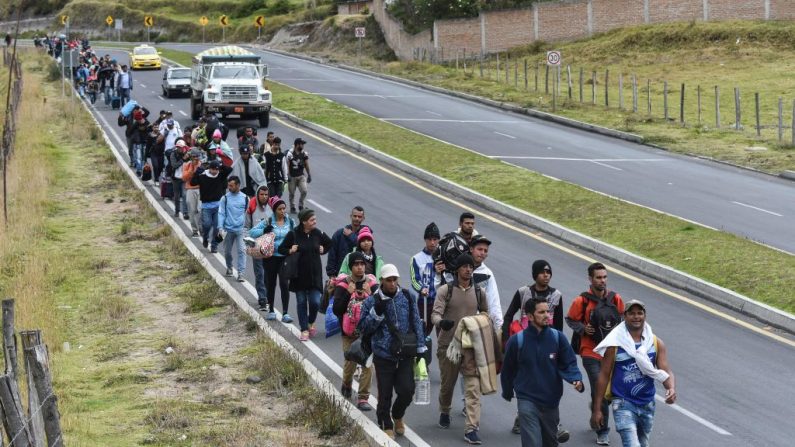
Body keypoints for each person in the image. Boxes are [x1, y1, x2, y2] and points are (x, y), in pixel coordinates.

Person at [591, 300, 676, 447]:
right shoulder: (614, 345)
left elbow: (665, 371)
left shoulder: (655, 343)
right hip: (623, 403)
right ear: (625, 316)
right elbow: (603, 376)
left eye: (639, 313)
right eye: (632, 313)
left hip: (647, 404)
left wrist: (671, 388)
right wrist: (597, 409)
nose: (636, 317)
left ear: (645, 316)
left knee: (643, 443)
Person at [501, 299, 585, 447]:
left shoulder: (558, 338)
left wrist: (576, 379)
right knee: (532, 443)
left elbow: (569, 362)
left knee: (550, 443)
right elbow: (508, 369)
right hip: (526, 399)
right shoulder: (516, 341)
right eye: (541, 312)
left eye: (548, 311)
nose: (547, 315)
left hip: (551, 401)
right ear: (530, 316)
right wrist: (507, 391)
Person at [357, 264, 427, 439]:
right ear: (382, 280)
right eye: (389, 280)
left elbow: (416, 322)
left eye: (395, 279)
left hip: (405, 353)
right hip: (383, 354)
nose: (392, 283)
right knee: (385, 393)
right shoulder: (371, 301)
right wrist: (376, 313)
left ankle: (397, 415)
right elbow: (363, 328)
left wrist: (421, 347)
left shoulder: (407, 296)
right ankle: (385, 422)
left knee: (407, 390)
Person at [503, 260, 570, 440]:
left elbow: (558, 326)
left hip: (547, 346)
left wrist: (559, 350)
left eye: (548, 272)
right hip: (524, 346)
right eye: (542, 272)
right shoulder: (523, 292)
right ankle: (524, 414)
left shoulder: (556, 295)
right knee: (525, 381)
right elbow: (509, 315)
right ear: (535, 275)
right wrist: (505, 341)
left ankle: (552, 421)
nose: (546, 275)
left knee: (547, 383)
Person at [432, 253, 493, 445]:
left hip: (471, 347)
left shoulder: (478, 292)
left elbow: (485, 313)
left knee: (473, 389)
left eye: (471, 267)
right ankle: (445, 410)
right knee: (447, 384)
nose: (468, 269)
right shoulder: (445, 290)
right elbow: (435, 314)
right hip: (448, 345)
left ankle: (471, 428)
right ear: (457, 269)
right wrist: (442, 322)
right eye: (465, 266)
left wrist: (481, 322)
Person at [566, 262, 625, 446]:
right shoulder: (581, 301)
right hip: (589, 351)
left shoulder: (616, 299)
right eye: (598, 277)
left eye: (604, 277)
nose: (602, 281)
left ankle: (596, 406)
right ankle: (602, 431)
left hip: (611, 351)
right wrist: (584, 328)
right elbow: (570, 319)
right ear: (590, 279)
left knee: (606, 391)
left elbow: (624, 318)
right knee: (599, 385)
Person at [331, 252, 377, 411]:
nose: (359, 267)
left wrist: (370, 294)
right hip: (348, 333)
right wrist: (348, 293)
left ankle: (363, 397)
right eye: (356, 264)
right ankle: (347, 383)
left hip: (367, 333)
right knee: (350, 362)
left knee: (368, 365)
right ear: (351, 267)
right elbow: (337, 310)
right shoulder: (343, 285)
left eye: (362, 264)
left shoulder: (371, 284)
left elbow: (380, 307)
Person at [277, 208, 331, 341]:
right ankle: (304, 329)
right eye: (312, 220)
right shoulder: (293, 234)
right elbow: (281, 249)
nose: (315, 222)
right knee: (301, 302)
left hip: (315, 275)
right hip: (298, 276)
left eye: (315, 219)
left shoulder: (317, 233)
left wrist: (323, 249)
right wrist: (290, 250)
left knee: (315, 302)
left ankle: (310, 321)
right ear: (304, 221)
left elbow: (329, 243)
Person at [249, 196, 295, 322]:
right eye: (280, 209)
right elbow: (252, 232)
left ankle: (285, 313)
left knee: (284, 284)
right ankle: (271, 310)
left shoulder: (290, 222)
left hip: (285, 257)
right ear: (274, 210)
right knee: (271, 284)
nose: (283, 211)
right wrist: (264, 230)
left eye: (284, 209)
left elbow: (297, 235)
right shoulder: (268, 221)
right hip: (270, 257)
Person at [190, 160, 233, 253]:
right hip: (206, 206)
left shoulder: (220, 176)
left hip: (218, 206)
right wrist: (197, 172)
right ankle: (205, 238)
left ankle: (214, 245)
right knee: (206, 225)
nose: (214, 172)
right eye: (213, 169)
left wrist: (221, 165)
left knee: (217, 227)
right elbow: (192, 183)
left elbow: (229, 169)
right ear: (209, 169)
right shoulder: (203, 176)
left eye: (216, 170)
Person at [410, 222, 441, 336]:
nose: (432, 242)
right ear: (425, 240)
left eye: (435, 239)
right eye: (429, 239)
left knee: (443, 334)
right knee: (422, 332)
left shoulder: (443, 257)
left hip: (440, 302)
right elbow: (414, 280)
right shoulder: (416, 259)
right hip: (424, 302)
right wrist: (421, 289)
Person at [245, 185, 273, 309]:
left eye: (266, 195)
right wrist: (248, 241)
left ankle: (268, 295)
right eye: (261, 194)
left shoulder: (272, 206)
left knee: (269, 273)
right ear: (258, 194)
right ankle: (262, 298)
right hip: (256, 245)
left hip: (270, 245)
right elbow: (246, 226)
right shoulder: (251, 205)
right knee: (259, 273)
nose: (264, 197)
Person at [218, 176, 248, 282]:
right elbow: (221, 213)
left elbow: (248, 214)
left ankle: (241, 273)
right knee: (227, 252)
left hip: (241, 230)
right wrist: (220, 227)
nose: (229, 187)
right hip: (228, 229)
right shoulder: (224, 198)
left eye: (231, 185)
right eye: (228, 185)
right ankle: (229, 267)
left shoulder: (245, 198)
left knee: (242, 251)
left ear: (238, 185)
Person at [327, 206, 367, 278]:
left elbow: (365, 249)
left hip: (359, 277)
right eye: (355, 216)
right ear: (351, 216)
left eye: (359, 217)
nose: (357, 218)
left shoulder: (365, 236)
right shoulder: (339, 234)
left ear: (363, 218)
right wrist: (331, 275)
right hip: (340, 276)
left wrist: (351, 236)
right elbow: (332, 255)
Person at [284, 137, 311, 213]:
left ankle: (300, 204)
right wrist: (288, 175)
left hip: (301, 176)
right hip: (292, 177)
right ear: (297, 145)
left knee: (304, 191)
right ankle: (292, 207)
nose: (303, 146)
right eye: (301, 144)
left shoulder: (304, 153)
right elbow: (287, 165)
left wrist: (309, 174)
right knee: (292, 193)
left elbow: (306, 164)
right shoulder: (290, 154)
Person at [182, 148, 204, 237]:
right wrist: (192, 170)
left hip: (201, 189)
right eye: (194, 157)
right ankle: (195, 230)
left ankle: (201, 228)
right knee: (192, 210)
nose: (196, 159)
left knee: (200, 209)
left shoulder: (202, 165)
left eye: (197, 157)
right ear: (191, 157)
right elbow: (184, 178)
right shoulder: (187, 165)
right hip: (190, 189)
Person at [125, 109, 151, 177]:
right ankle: (139, 170)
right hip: (138, 142)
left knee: (143, 157)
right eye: (137, 120)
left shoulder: (147, 122)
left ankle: (143, 169)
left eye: (139, 119)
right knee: (138, 156)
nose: (138, 121)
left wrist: (146, 128)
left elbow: (150, 130)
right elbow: (129, 132)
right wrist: (135, 133)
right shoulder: (136, 123)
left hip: (145, 142)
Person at [168, 140, 189, 218]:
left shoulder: (187, 154)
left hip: (184, 178)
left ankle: (185, 212)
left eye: (181, 147)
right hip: (176, 178)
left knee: (184, 195)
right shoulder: (173, 154)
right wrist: (183, 159)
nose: (179, 149)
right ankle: (177, 210)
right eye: (178, 147)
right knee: (177, 196)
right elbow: (174, 165)